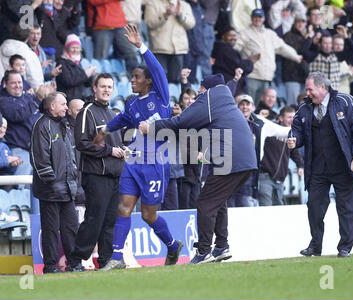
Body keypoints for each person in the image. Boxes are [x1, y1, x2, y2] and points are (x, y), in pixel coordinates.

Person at [139, 73, 257, 264]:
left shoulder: (210, 99)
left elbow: (181, 122)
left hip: (230, 159)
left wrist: (151, 127)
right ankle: (221, 246)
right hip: (244, 160)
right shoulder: (224, 100)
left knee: (204, 203)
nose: (198, 93)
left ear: (206, 88)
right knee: (218, 201)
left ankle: (203, 251)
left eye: (201, 88)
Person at [92, 25, 183, 270]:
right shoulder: (132, 104)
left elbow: (157, 69)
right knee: (123, 207)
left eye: (136, 77)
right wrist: (102, 132)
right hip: (134, 163)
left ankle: (173, 246)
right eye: (131, 77)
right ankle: (117, 257)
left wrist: (140, 46)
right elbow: (119, 120)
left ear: (148, 81)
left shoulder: (161, 96)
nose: (132, 80)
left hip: (155, 163)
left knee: (148, 215)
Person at [287, 71, 353, 258]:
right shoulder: (304, 108)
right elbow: (296, 130)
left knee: (347, 208)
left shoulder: (346, 101)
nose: (307, 93)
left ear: (323, 87)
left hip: (344, 165)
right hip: (317, 167)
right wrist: (293, 139)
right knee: (314, 207)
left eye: (310, 89)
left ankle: (345, 247)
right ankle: (315, 246)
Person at [66, 73, 125, 271]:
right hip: (96, 176)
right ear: (94, 88)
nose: (107, 90)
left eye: (110, 86)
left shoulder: (112, 114)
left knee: (109, 221)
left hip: (114, 175)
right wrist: (110, 151)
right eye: (103, 86)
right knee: (94, 219)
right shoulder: (87, 112)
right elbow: (81, 143)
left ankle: (106, 261)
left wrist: (122, 150)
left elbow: (115, 144)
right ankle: (75, 260)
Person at [30, 91, 79, 273]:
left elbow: (70, 158)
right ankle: (50, 266)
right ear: (52, 106)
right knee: (50, 230)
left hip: (67, 188)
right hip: (50, 190)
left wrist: (72, 181)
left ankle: (74, 264)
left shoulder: (64, 125)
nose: (66, 107)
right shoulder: (41, 126)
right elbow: (38, 159)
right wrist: (51, 182)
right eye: (63, 104)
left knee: (71, 228)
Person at [236, 8, 303, 105]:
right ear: (251, 18)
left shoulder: (270, 34)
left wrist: (296, 57)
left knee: (262, 109)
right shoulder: (244, 33)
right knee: (248, 106)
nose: (257, 19)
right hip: (251, 76)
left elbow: (283, 47)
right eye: (255, 17)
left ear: (264, 18)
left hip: (267, 78)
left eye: (260, 17)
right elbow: (235, 49)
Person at [0, 70, 41, 188]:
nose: (17, 85)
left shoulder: (29, 97)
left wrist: (47, 96)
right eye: (13, 83)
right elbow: (18, 115)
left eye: (19, 82)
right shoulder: (3, 100)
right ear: (5, 84)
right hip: (18, 150)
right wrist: (36, 99)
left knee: (32, 189)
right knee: (20, 187)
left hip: (34, 151)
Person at [258, 106, 304, 206]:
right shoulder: (270, 129)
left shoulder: (291, 134)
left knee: (279, 210)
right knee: (266, 209)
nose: (292, 120)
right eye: (289, 117)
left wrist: (300, 165)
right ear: (281, 118)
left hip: (280, 179)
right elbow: (263, 121)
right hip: (265, 176)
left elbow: (295, 152)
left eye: (294, 117)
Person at [144, 0, 196, 83]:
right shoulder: (152, 3)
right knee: (160, 80)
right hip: (159, 48)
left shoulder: (184, 5)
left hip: (178, 49)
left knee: (175, 80)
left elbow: (191, 24)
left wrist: (180, 15)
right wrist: (165, 15)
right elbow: (149, 23)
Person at [56, 34, 96, 102]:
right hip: (68, 100)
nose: (75, 50)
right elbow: (68, 81)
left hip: (79, 98)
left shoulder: (78, 62)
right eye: (73, 47)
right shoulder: (61, 62)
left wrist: (90, 76)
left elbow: (83, 82)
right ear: (67, 48)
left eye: (77, 48)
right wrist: (85, 75)